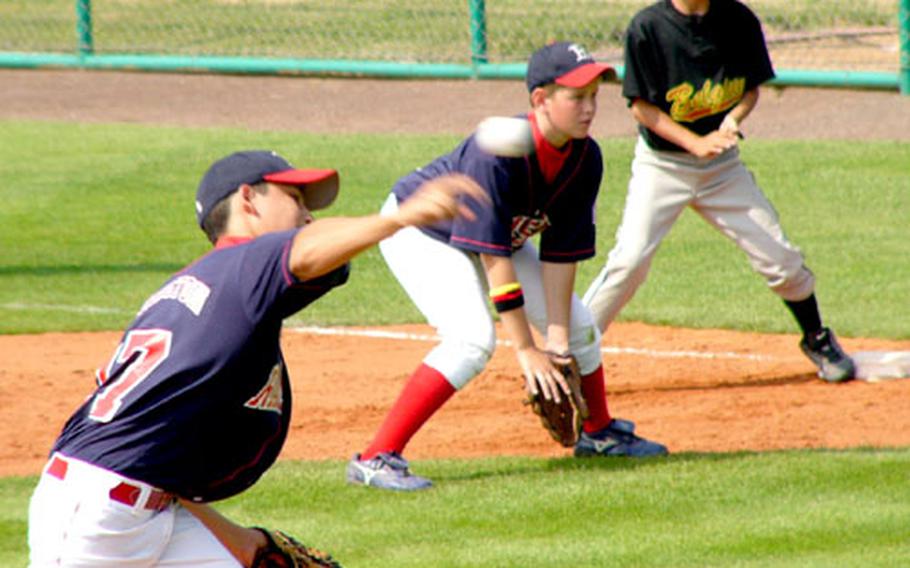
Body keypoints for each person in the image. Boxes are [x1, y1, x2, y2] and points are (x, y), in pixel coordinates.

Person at [26, 149, 487, 566]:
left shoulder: (197, 287)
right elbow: (305, 251)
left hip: (141, 508)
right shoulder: (246, 263)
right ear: (249, 201)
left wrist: (245, 544)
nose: (306, 216)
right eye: (295, 198)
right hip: (93, 525)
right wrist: (401, 218)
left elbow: (154, 452)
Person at [346, 42, 669, 493]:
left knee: (579, 326)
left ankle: (598, 435)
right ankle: (375, 456)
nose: (590, 108)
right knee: (472, 340)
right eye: (576, 97)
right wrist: (526, 350)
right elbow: (493, 256)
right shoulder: (495, 153)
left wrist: (555, 339)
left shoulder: (584, 157)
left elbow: (561, 252)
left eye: (594, 96)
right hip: (422, 232)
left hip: (499, 238)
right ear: (540, 100)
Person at [582, 0, 855, 383]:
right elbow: (642, 108)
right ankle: (571, 353)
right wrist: (694, 142)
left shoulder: (738, 20)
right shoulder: (648, 27)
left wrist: (731, 121)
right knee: (629, 261)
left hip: (722, 169)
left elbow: (749, 90)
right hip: (663, 166)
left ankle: (816, 337)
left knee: (781, 259)